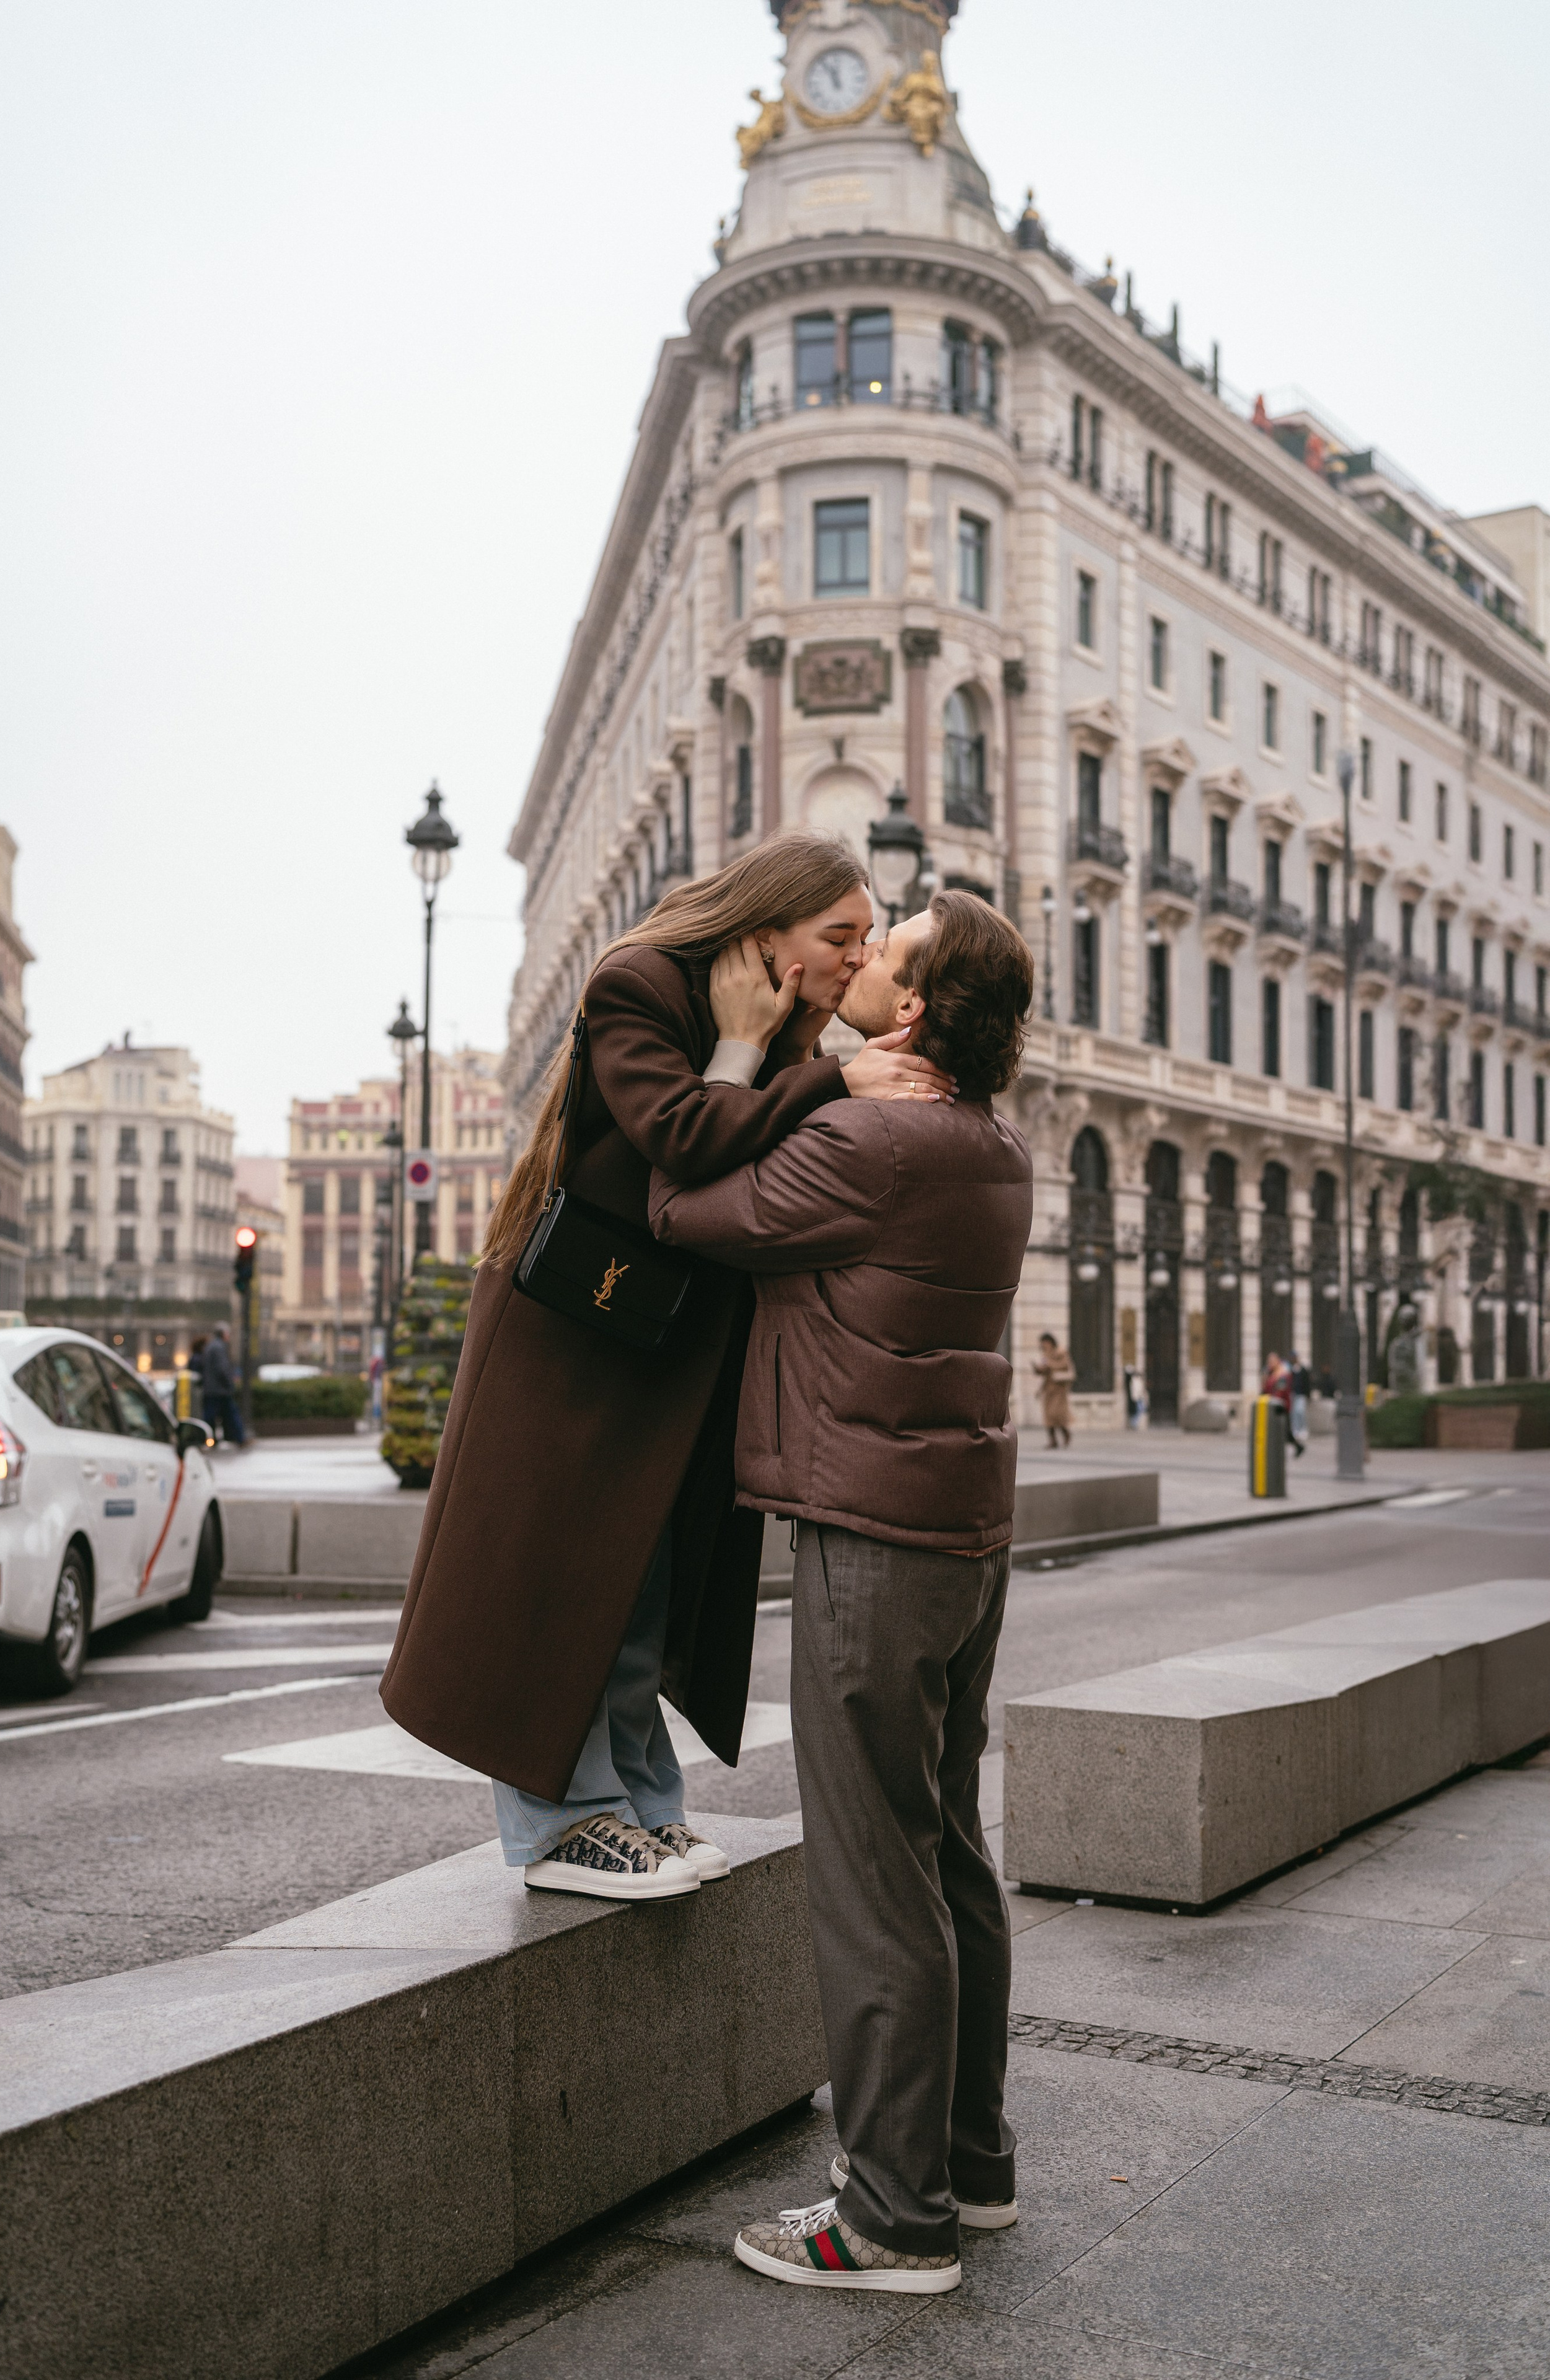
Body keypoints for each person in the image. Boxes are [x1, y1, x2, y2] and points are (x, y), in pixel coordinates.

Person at [379, 835, 948, 1904]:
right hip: (573, 1332)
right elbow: (682, 1141)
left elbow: (753, 1161)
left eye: (866, 939)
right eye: (837, 937)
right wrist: (775, 1057)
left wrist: (808, 1048)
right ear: (764, 931)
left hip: (663, 1341)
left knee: (637, 1578)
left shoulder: (788, 1027)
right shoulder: (636, 981)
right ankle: (564, 1820)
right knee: (556, 1579)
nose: (852, 956)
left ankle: (641, 1803)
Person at [650, 890, 1034, 2296]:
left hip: (870, 1535)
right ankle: (967, 2163)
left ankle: (887, 2217)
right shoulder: (992, 1143)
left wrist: (748, 1055)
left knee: (873, 1876)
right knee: (943, 1853)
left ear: (918, 1010)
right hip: (960, 1530)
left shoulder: (869, 1139)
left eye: (886, 953)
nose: (858, 962)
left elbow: (682, 1202)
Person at [199, 1325, 243, 1446]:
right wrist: (230, 1384)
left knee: (211, 1416)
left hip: (212, 1389)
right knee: (230, 1414)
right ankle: (239, 1439)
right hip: (220, 1390)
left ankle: (209, 1440)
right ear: (224, 1335)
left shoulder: (211, 1346)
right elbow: (222, 1368)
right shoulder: (219, 1347)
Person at [1035, 1331, 1074, 1447]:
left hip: (1059, 1389)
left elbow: (1065, 1365)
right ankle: (1053, 1441)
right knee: (1048, 1416)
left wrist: (1050, 1364)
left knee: (1057, 1414)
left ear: (1051, 1342)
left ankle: (1066, 1433)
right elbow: (1044, 1372)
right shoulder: (1045, 1355)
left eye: (1045, 1342)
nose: (1044, 1345)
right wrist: (1038, 1369)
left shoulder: (1061, 1352)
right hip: (1048, 1389)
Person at [1289, 1351, 1311, 1450]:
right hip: (1293, 1394)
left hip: (1301, 1394)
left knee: (1300, 1411)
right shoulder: (1291, 1370)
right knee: (1294, 1413)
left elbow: (1307, 1383)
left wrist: (1308, 1395)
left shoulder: (1303, 1370)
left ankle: (1303, 1429)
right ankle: (1296, 1430)